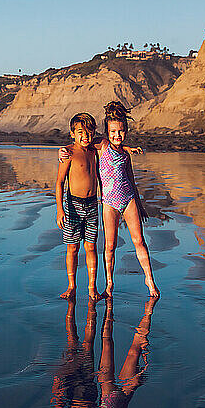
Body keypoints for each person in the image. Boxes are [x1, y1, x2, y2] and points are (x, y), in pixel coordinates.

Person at [60, 102, 159, 298]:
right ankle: (109, 285)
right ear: (107, 132)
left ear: (126, 131)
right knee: (110, 245)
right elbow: (82, 141)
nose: (117, 135)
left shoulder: (125, 155)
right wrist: (62, 150)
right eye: (113, 131)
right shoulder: (102, 145)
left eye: (121, 131)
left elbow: (132, 181)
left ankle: (149, 280)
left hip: (128, 198)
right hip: (108, 203)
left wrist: (139, 205)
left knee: (139, 240)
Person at [92, 297, 157, 408]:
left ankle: (111, 306)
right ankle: (147, 311)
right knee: (129, 349)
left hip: (110, 398)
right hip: (119, 397)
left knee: (111, 345)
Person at [56, 113, 100, 301]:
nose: (85, 136)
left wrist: (129, 148)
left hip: (92, 205)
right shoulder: (68, 153)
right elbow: (59, 183)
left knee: (91, 247)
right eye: (80, 132)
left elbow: (111, 143)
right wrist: (60, 209)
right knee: (72, 248)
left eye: (89, 132)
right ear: (72, 134)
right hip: (73, 205)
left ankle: (92, 288)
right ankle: (72, 286)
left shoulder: (94, 150)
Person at [52, 297, 98, 408]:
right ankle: (91, 309)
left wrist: (57, 385)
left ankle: (73, 307)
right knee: (84, 345)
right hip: (88, 395)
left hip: (75, 393)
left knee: (74, 342)